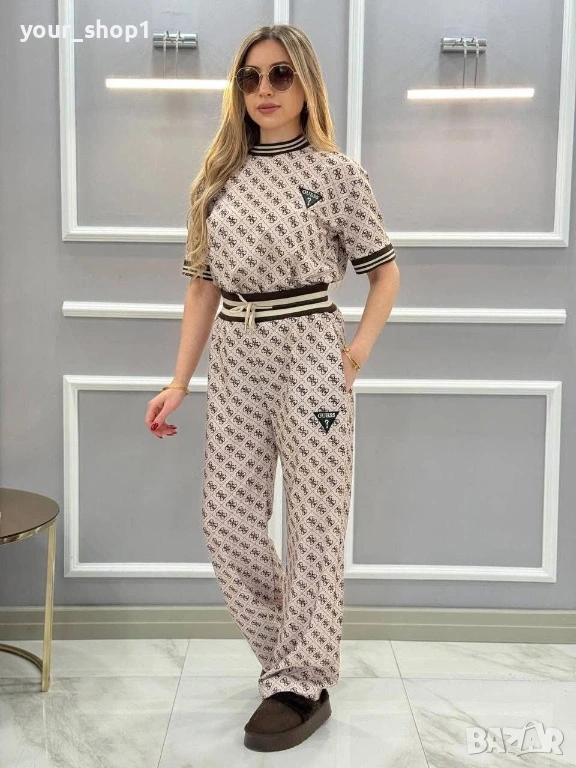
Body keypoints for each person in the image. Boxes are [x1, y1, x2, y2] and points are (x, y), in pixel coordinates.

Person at [145, 23, 400, 752]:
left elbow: (384, 274)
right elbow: (202, 288)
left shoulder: (337, 175)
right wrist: (179, 381)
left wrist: (353, 357)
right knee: (227, 522)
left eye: (281, 74)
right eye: (251, 77)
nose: (264, 89)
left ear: (306, 84)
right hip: (236, 353)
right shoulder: (215, 180)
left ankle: (300, 681)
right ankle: (291, 659)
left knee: (316, 519)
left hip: (311, 348)